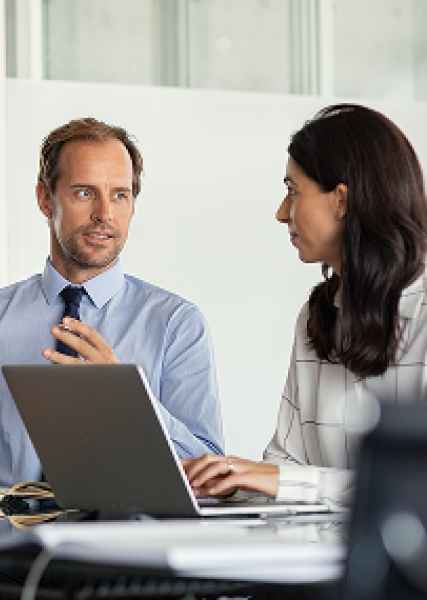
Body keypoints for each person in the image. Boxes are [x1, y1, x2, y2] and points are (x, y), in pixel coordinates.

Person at [0, 117, 224, 486]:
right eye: (85, 193)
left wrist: (127, 404)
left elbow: (209, 479)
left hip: (129, 542)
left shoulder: (176, 325)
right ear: (44, 199)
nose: (104, 213)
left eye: (120, 194)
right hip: (14, 542)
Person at [183, 103, 427, 506]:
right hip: (314, 557)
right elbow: (285, 462)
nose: (281, 213)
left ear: (342, 201)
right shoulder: (318, 316)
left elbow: (413, 489)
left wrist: (285, 482)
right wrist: (226, 482)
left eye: (293, 191)